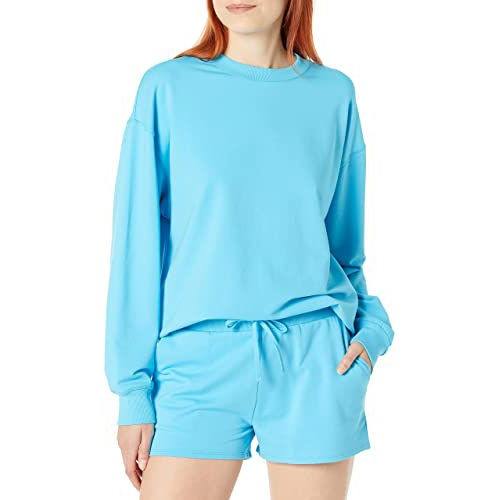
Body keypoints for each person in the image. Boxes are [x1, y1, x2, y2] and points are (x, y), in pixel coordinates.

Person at [105, 1, 394, 498]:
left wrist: (372, 331)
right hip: (196, 362)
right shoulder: (168, 88)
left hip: (314, 360)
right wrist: (133, 391)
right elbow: (137, 250)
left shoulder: (334, 95)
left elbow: (344, 251)